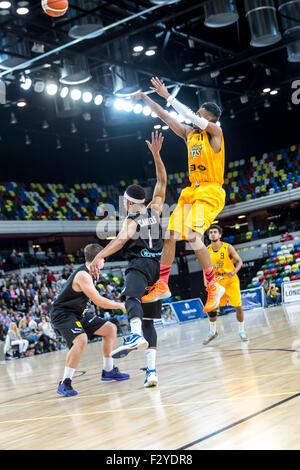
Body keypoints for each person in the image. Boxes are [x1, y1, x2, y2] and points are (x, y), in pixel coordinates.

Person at [131, 77, 225, 313]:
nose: (194, 116)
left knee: (193, 234)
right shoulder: (189, 134)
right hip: (191, 191)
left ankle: (213, 286)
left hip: (210, 190)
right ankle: (163, 284)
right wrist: (145, 98)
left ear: (209, 118)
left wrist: (169, 96)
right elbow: (165, 116)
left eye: (200, 114)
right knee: (170, 235)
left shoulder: (215, 133)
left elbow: (192, 117)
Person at [90, 132, 167, 388]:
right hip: (157, 269)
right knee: (149, 323)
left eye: (124, 200)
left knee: (130, 299)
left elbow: (122, 241)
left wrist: (100, 255)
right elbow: (162, 181)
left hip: (140, 266)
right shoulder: (155, 209)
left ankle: (133, 337)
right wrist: (156, 155)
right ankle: (152, 372)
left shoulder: (131, 219)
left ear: (129, 202)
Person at [51, 243, 129, 398]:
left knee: (110, 329)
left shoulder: (93, 272)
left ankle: (108, 370)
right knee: (81, 340)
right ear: (97, 258)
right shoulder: (83, 275)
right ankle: (65, 382)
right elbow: (98, 301)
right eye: (103, 258)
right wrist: (121, 305)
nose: (104, 262)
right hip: (63, 313)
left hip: (79, 313)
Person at [203, 224, 249, 345]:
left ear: (220, 235)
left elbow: (239, 261)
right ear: (208, 235)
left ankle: (242, 331)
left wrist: (234, 271)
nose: (212, 234)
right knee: (212, 308)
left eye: (215, 232)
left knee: (238, 306)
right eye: (211, 232)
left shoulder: (228, 247)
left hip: (231, 281)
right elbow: (205, 268)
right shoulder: (206, 250)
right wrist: (205, 281)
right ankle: (213, 332)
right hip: (217, 283)